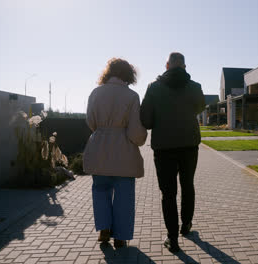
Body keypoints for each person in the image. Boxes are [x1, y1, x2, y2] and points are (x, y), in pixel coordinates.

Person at [140, 52, 205, 252]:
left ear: (167, 65)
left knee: (168, 193)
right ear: (184, 66)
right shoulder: (195, 87)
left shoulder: (154, 87)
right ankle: (186, 225)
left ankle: (172, 238)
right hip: (189, 146)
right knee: (187, 186)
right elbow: (200, 107)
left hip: (164, 148)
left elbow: (146, 120)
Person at [83, 58, 147, 249]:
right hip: (124, 153)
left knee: (100, 192)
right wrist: (140, 140)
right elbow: (135, 130)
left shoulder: (95, 93)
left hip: (99, 149)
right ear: (129, 74)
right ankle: (120, 236)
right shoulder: (132, 96)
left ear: (108, 72)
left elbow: (90, 121)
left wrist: (103, 131)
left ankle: (104, 229)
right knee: (124, 197)